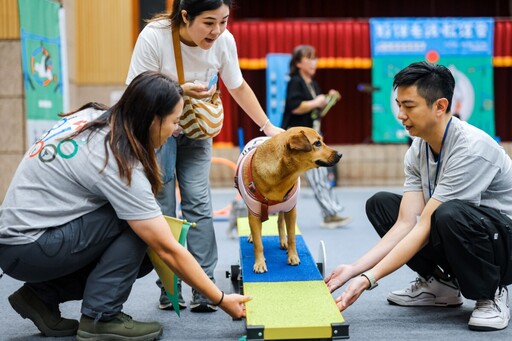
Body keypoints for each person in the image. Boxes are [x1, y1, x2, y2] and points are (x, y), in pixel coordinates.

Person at [0, 71, 250, 340]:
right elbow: (167, 247)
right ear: (153, 119)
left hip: (20, 241)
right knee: (140, 226)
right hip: (29, 246)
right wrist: (221, 298)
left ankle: (40, 297)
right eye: (175, 121)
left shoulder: (95, 117)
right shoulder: (118, 159)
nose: (177, 130)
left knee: (142, 243)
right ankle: (101, 317)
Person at [325, 61, 512, 331]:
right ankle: (442, 285)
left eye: (409, 106)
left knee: (448, 213)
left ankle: (492, 292)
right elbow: (406, 223)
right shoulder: (418, 149)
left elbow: (425, 224)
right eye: (399, 105)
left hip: (502, 247)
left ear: (440, 106)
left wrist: (369, 279)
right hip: (463, 233)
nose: (400, 115)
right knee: (382, 204)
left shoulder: (472, 148)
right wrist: (354, 269)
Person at [126, 0, 282, 312]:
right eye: (209, 22)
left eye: (224, 21)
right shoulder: (155, 36)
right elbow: (136, 90)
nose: (218, 31)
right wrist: (177, 90)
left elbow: (237, 87)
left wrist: (267, 127)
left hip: (197, 132)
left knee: (198, 200)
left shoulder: (224, 41)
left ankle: (204, 284)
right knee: (164, 204)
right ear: (185, 16)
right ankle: (168, 285)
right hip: (158, 130)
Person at [281, 44, 351, 229]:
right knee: (310, 175)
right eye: (309, 58)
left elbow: (315, 112)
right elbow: (295, 106)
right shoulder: (295, 82)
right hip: (297, 141)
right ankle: (330, 213)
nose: (314, 62)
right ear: (298, 63)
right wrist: (316, 102)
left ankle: (331, 212)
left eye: (315, 58)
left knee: (316, 175)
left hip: (309, 139)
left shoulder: (312, 84)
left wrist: (328, 100)